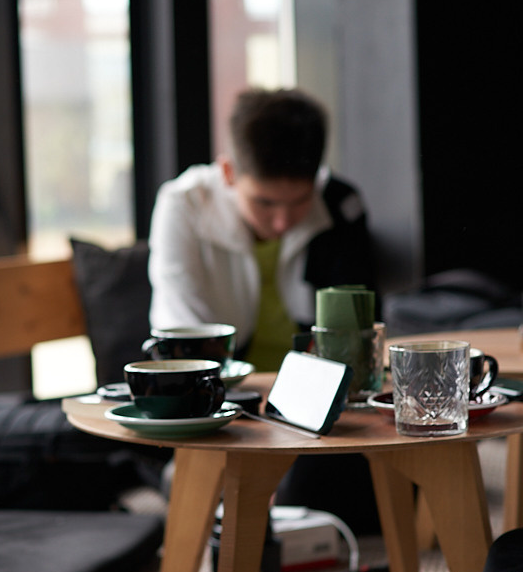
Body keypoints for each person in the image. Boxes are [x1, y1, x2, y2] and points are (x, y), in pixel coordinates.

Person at [147, 88, 375, 373]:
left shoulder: (340, 206)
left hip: (317, 390)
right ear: (228, 173)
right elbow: (184, 340)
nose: (282, 221)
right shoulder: (184, 205)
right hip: (220, 391)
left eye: (300, 200)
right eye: (264, 202)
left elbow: (353, 340)